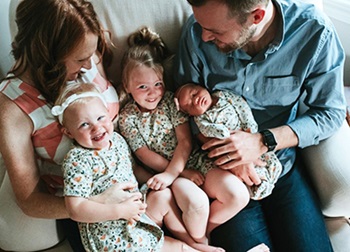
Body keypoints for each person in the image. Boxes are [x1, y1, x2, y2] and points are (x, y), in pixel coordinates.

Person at [174, 0, 346, 251]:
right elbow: (182, 109)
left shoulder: (313, 32)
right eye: (202, 25)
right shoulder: (195, 32)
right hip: (222, 177)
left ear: (257, 16)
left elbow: (330, 113)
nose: (204, 36)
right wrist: (231, 154)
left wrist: (262, 141)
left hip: (281, 166)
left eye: (216, 31)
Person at [0, 0, 124, 251]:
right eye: (81, 59)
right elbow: (30, 200)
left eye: (91, 54)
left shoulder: (85, 56)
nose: (90, 66)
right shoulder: (12, 107)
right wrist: (99, 204)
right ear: (49, 55)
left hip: (138, 173)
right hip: (93, 209)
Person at [52, 82, 216, 252]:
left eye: (100, 118)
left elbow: (133, 169)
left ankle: (191, 242)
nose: (97, 127)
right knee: (179, 250)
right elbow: (75, 209)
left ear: (108, 115)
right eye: (84, 124)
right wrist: (120, 211)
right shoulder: (77, 159)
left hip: (136, 213)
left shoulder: (116, 140)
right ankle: (187, 247)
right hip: (112, 234)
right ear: (69, 132)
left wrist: (157, 181)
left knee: (163, 196)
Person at [117, 26, 225, 251]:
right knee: (177, 201)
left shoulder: (169, 102)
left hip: (182, 165)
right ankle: (200, 245)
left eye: (157, 84)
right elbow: (142, 154)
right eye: (142, 87)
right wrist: (174, 173)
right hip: (159, 175)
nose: (152, 92)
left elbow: (185, 142)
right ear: (127, 87)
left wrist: (176, 172)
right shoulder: (127, 117)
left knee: (197, 203)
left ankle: (200, 242)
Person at [174, 83, 282, 201]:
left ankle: (268, 180)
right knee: (240, 174)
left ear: (203, 87)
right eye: (190, 105)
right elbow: (209, 130)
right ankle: (257, 186)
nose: (195, 100)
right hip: (229, 146)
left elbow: (242, 107)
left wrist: (249, 128)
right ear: (191, 114)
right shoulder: (201, 119)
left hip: (250, 137)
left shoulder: (223, 95)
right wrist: (224, 133)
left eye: (194, 94)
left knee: (271, 162)